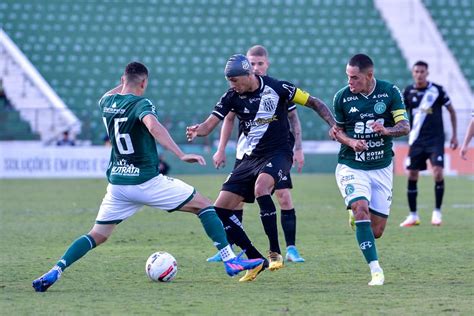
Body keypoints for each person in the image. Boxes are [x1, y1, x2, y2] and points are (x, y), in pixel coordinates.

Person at [32, 62, 263, 292]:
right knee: (204, 206)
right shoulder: (142, 103)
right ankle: (229, 259)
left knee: (97, 234)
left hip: (118, 185)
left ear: (123, 80)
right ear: (144, 83)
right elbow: (154, 127)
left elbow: (115, 90)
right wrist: (181, 154)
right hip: (146, 181)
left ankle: (56, 269)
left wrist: (126, 81)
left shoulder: (106, 102)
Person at [186, 54, 335, 282]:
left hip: (279, 152)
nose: (231, 85)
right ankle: (255, 260)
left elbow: (315, 103)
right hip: (249, 158)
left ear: (249, 75)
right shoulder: (232, 96)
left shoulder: (279, 87)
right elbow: (210, 124)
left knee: (261, 187)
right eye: (229, 81)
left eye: (234, 80)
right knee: (218, 212)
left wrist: (335, 126)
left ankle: (275, 252)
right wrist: (198, 131)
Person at [207, 45, 305, 263]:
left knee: (283, 195)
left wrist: (298, 148)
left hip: (277, 151)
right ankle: (232, 247)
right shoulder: (238, 91)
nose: (256, 67)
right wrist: (221, 149)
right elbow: (228, 119)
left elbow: (294, 118)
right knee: (234, 201)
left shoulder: (278, 89)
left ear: (266, 64)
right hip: (248, 153)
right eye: (252, 63)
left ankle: (289, 248)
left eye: (260, 63)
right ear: (246, 67)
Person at [330, 54, 410, 286]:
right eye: (348, 77)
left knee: (376, 232)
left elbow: (405, 126)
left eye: (354, 78)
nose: (350, 82)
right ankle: (376, 271)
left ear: (369, 75)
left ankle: (356, 217)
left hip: (381, 167)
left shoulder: (390, 92)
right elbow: (338, 130)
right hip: (351, 165)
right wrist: (350, 141)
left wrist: (387, 131)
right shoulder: (342, 98)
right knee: (361, 208)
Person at [399, 61, 458, 227]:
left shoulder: (437, 90)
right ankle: (413, 215)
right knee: (412, 175)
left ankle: (437, 212)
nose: (419, 74)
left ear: (427, 73)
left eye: (422, 71)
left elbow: (451, 111)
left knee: (438, 173)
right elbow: (401, 113)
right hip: (416, 140)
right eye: (416, 71)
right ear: (413, 73)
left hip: (435, 140)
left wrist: (454, 136)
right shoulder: (408, 91)